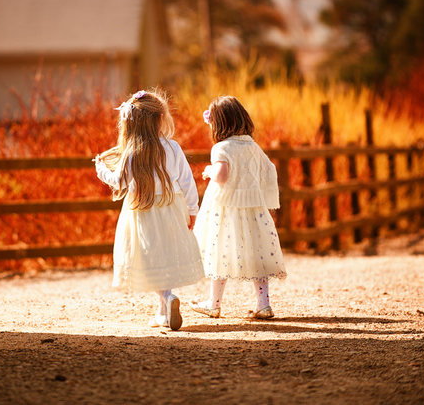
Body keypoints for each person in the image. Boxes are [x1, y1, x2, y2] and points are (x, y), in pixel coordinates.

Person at [94, 89, 204, 331]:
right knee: (165, 254)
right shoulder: (173, 147)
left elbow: (119, 182)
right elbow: (187, 181)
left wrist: (100, 168)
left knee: (150, 257)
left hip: (142, 210)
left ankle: (166, 298)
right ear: (159, 119)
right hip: (171, 207)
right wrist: (192, 210)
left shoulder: (132, 153)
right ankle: (163, 310)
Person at [190, 96, 287, 320]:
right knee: (257, 254)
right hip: (253, 209)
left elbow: (222, 175)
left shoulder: (221, 147)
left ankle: (214, 304)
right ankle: (263, 304)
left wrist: (208, 170)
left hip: (225, 210)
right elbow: (270, 170)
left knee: (219, 252)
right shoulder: (253, 146)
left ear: (220, 124)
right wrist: (257, 189)